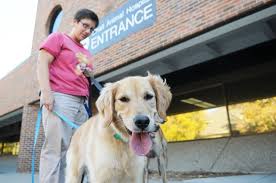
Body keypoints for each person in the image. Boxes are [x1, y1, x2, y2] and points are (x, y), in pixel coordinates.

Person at [37, 9, 99, 183]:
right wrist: (47, 93)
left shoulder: (86, 52)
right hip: (60, 97)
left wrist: (88, 73)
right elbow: (42, 62)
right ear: (74, 22)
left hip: (82, 104)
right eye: (85, 25)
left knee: (76, 150)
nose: (87, 31)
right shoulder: (58, 38)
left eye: (91, 29)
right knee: (55, 149)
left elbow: (89, 76)